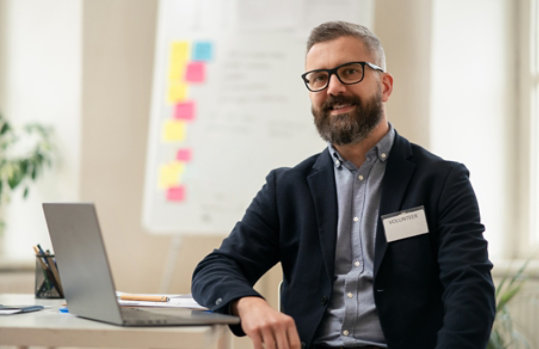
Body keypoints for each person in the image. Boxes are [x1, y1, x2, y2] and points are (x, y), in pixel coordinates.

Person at [191, 21, 495, 349]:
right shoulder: (287, 189)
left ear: (385, 86)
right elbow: (215, 268)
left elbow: (470, 292)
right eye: (319, 78)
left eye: (350, 71)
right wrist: (248, 303)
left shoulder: (442, 182)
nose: (333, 88)